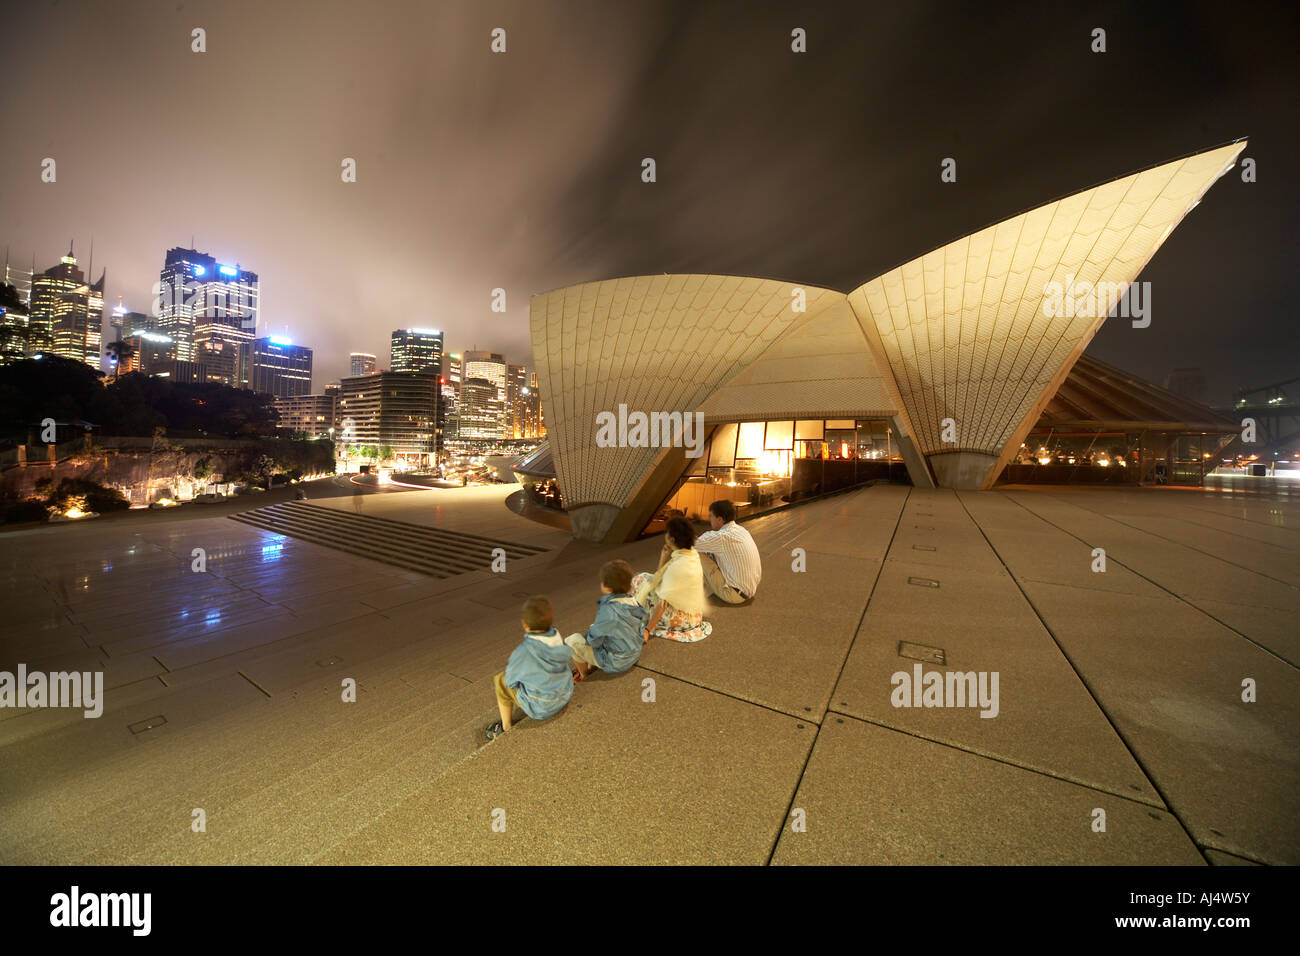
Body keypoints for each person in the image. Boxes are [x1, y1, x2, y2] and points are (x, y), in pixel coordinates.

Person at [486, 595, 573, 739]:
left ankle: (506, 727)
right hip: (565, 694)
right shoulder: (557, 636)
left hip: (542, 708)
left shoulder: (523, 652)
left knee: (500, 680)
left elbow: (510, 682)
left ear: (524, 624)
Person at [633, 516, 712, 643]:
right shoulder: (691, 554)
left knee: (639, 581)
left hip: (682, 621)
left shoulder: (677, 566)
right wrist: (664, 557)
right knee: (646, 579)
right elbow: (660, 577)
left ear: (672, 539)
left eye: (667, 533)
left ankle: (635, 614)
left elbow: (662, 603)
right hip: (694, 614)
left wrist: (648, 630)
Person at [566, 559, 647, 680]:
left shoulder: (609, 611)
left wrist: (590, 636)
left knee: (572, 641)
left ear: (607, 587)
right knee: (600, 630)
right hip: (634, 653)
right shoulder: (632, 600)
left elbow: (593, 640)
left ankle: (584, 675)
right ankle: (592, 667)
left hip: (616, 662)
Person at [693, 499, 761, 604]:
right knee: (708, 551)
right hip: (749, 591)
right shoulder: (742, 530)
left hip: (734, 595)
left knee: (696, 552)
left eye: (711, 516)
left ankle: (689, 593)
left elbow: (691, 543)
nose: (708, 519)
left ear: (720, 519)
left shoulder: (721, 537)